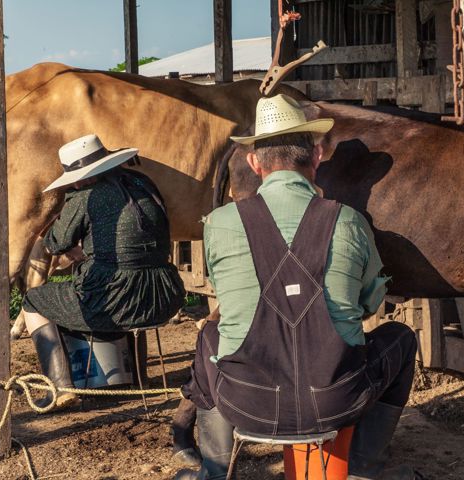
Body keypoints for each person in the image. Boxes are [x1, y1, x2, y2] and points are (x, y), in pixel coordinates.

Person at [174, 95, 418, 480]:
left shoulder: (220, 224)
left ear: (254, 163)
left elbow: (232, 300)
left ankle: (215, 471)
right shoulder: (349, 222)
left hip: (248, 403)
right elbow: (370, 301)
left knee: (210, 337)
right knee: (401, 338)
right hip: (338, 401)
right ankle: (362, 469)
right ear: (316, 156)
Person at [21, 134, 185, 411]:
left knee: (33, 301)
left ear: (83, 176)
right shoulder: (142, 182)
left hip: (114, 301)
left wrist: (71, 245)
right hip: (165, 294)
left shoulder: (85, 195)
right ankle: (139, 379)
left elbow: (56, 243)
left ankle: (59, 388)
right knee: (130, 287)